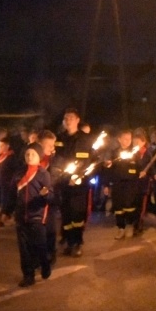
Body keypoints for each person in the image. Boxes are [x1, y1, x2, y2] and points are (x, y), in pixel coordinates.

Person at [55, 108, 94, 257]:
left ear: (77, 120)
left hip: (79, 183)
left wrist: (78, 176)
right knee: (65, 213)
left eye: (71, 118)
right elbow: (56, 159)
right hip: (63, 181)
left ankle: (78, 243)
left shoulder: (86, 139)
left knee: (77, 213)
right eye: (66, 118)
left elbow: (90, 161)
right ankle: (69, 242)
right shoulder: (59, 138)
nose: (68, 120)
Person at [12, 143, 52, 286]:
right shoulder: (19, 173)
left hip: (37, 215)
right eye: (27, 154)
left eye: (33, 154)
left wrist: (45, 195)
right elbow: (12, 193)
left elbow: (51, 196)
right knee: (24, 248)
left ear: (39, 156)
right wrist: (7, 210)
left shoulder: (43, 174)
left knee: (40, 244)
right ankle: (28, 275)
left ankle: (45, 264)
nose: (29, 157)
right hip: (21, 216)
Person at [102, 129, 141, 239]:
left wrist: (139, 174)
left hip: (130, 184)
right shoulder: (114, 153)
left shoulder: (135, 153)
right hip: (117, 183)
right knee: (118, 207)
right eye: (125, 139)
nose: (128, 141)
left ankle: (129, 225)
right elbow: (108, 170)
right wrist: (106, 184)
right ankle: (121, 228)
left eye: (129, 139)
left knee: (129, 206)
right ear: (119, 139)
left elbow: (139, 167)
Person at [38, 129, 64, 266]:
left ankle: (50, 252)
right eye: (48, 145)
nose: (51, 148)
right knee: (37, 229)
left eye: (52, 144)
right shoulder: (33, 159)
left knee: (50, 228)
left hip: (51, 199)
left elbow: (59, 177)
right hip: (36, 199)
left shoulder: (57, 160)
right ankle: (38, 254)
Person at [0, 136, 20, 227]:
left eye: (2, 145)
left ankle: (3, 217)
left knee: (5, 201)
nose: (0, 147)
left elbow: (15, 171)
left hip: (7, 184)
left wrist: (13, 182)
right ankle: (5, 214)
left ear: (7, 146)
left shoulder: (11, 157)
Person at [131, 128, 154, 234]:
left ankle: (139, 222)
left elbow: (151, 167)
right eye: (134, 142)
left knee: (141, 203)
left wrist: (147, 173)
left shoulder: (148, 154)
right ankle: (134, 220)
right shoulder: (132, 154)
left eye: (138, 142)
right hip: (134, 182)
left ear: (143, 142)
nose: (135, 144)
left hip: (144, 183)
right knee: (134, 202)